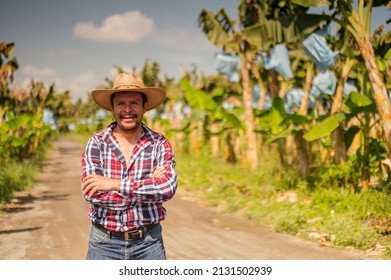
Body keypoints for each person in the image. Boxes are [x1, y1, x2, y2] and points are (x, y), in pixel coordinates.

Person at [81, 72, 178, 260]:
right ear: (112, 108)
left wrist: (113, 184)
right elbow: (93, 194)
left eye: (134, 102)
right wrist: (149, 185)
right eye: (121, 103)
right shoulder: (97, 143)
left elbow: (166, 188)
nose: (128, 109)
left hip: (149, 243)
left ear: (144, 106)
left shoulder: (159, 143)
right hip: (104, 244)